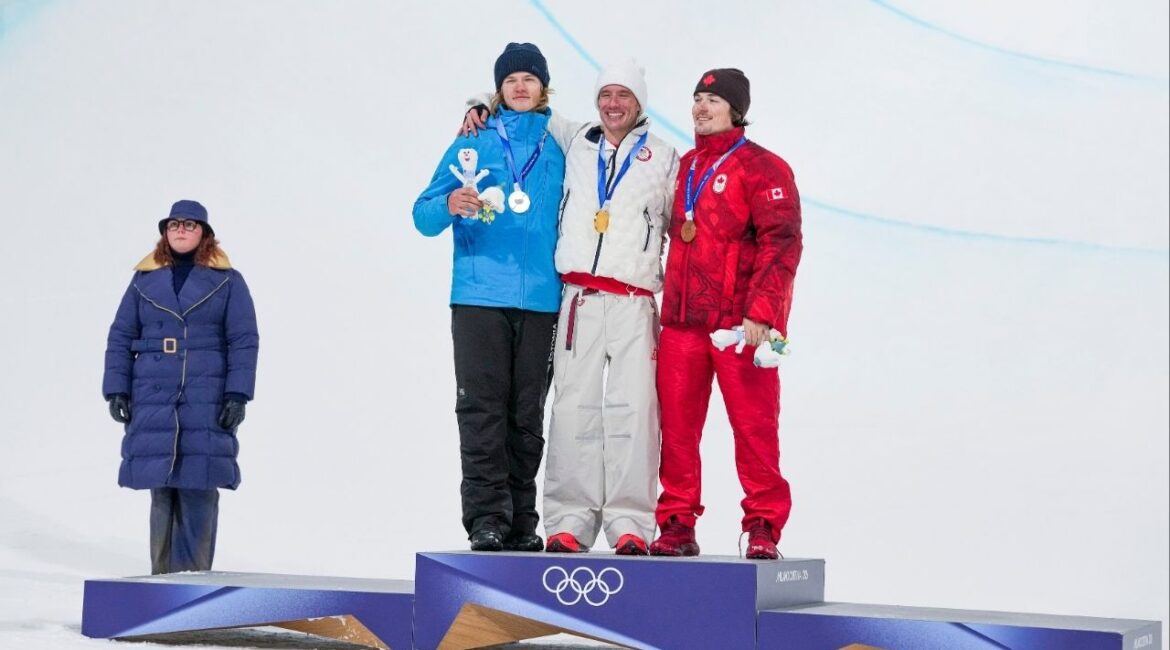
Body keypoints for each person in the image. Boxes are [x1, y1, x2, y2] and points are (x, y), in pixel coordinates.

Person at [413, 42, 565, 552]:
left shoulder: (563, 141)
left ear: (544, 87)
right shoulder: (471, 141)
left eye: (529, 79)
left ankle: (522, 520)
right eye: (509, 81)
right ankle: (486, 519)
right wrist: (449, 203)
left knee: (527, 414)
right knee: (481, 410)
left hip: (543, 298)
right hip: (478, 295)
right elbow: (422, 214)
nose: (520, 87)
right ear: (498, 89)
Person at [648, 68, 803, 560]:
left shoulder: (764, 167)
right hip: (682, 323)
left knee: (755, 429)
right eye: (696, 98)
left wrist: (763, 312)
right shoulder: (686, 165)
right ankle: (676, 522)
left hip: (740, 326)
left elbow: (783, 243)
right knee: (675, 430)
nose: (701, 107)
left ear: (736, 110)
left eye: (713, 99)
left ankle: (762, 525)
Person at [102, 199, 259, 574]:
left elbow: (244, 339)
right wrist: (116, 388)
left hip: (205, 394)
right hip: (153, 391)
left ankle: (192, 585)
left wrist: (238, 393)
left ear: (204, 232)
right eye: (174, 224)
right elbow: (121, 334)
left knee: (198, 485)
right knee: (161, 488)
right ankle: (161, 585)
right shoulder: (144, 280)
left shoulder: (228, 281)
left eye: (190, 224)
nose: (181, 230)